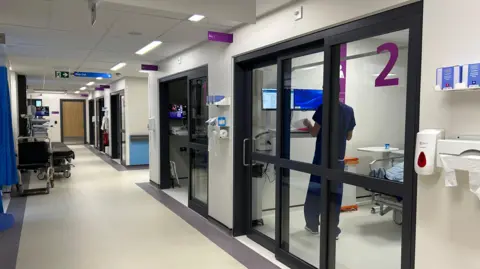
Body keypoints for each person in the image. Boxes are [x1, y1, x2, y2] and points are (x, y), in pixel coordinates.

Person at [303, 102, 356, 238]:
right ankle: (332, 229)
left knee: (315, 191)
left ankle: (312, 225)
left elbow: (315, 132)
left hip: (322, 158)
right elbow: (349, 136)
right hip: (338, 160)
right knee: (335, 194)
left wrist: (307, 124)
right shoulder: (349, 110)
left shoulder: (323, 107)